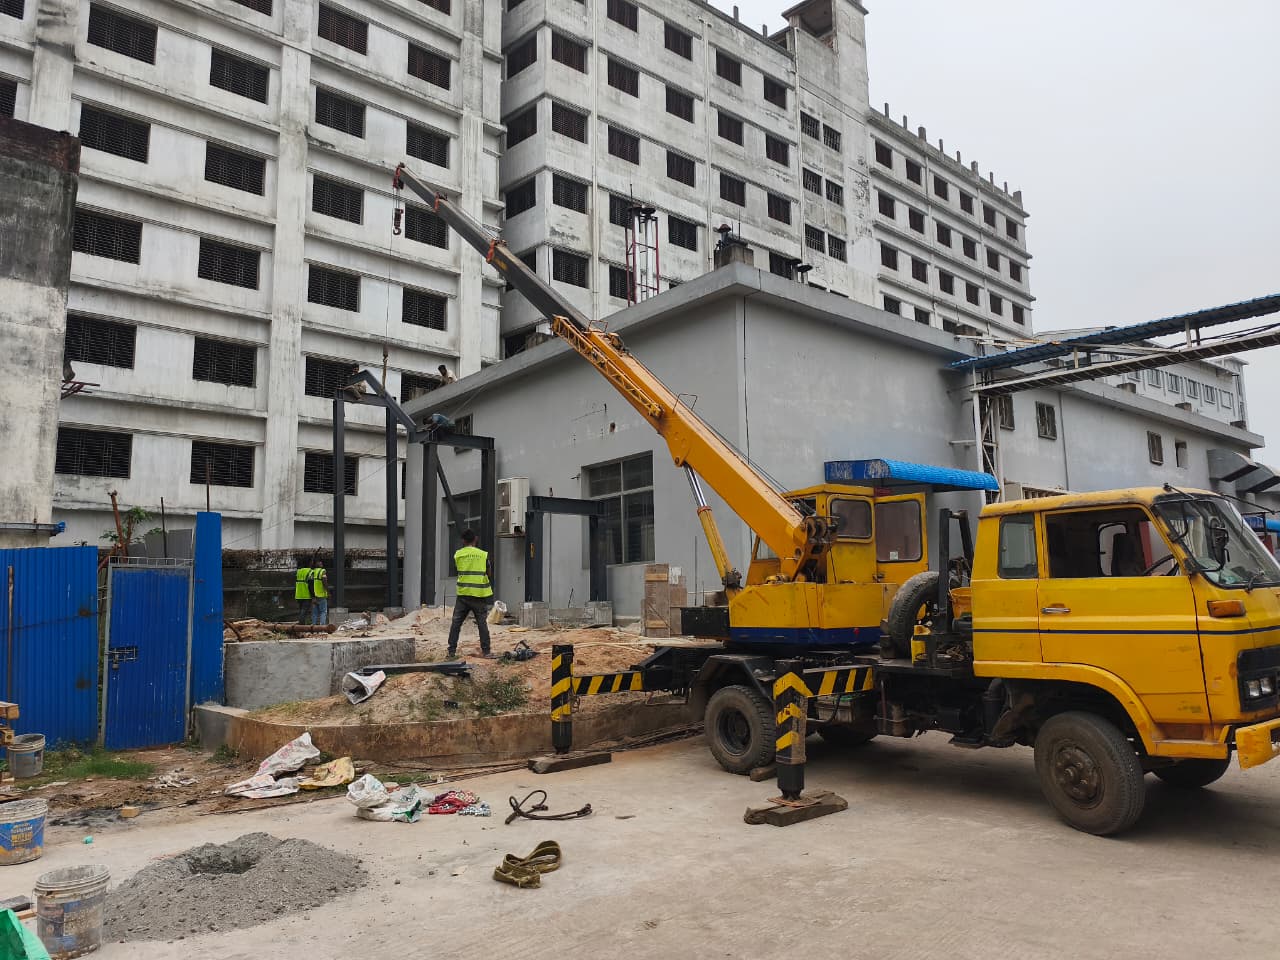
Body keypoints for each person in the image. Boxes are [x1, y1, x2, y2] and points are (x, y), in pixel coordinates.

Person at [447, 529, 493, 658]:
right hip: (479, 595)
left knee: (456, 623)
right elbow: (489, 573)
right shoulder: (483, 555)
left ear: (463, 541)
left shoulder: (458, 555)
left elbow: (458, 569)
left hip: (463, 595)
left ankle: (451, 652)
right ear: (475, 539)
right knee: (482, 623)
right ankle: (486, 651)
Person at [309, 560, 330, 626]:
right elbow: (324, 582)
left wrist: (312, 596)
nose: (321, 564)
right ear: (317, 564)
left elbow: (310, 584)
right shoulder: (322, 571)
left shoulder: (312, 572)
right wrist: (328, 592)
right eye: (320, 563)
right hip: (321, 595)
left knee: (315, 612)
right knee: (323, 611)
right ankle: (322, 626)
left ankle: (313, 626)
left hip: (314, 595)